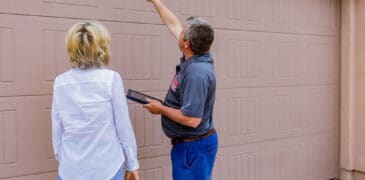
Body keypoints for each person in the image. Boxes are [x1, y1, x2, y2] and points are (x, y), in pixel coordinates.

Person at [51, 21, 139, 180]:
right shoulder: (110, 79)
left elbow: (57, 129)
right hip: (106, 167)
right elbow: (123, 126)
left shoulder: (60, 82)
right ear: (102, 47)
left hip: (70, 170)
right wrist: (132, 164)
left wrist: (65, 160)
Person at [143, 1, 218, 180]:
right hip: (190, 146)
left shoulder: (196, 73)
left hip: (193, 148)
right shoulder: (198, 52)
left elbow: (192, 119)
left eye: (183, 30)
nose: (180, 29)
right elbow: (173, 24)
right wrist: (156, 2)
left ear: (186, 44)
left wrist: (161, 109)